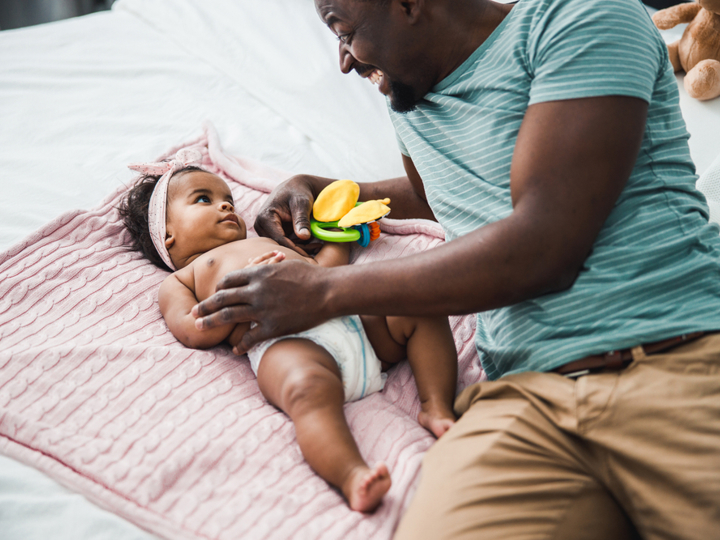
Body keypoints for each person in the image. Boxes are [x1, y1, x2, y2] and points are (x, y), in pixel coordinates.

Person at [190, 0, 720, 537]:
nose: (345, 62)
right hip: (523, 403)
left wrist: (324, 290)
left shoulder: (580, 17)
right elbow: (442, 195)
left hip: (676, 356)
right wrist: (330, 189)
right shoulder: (411, 99)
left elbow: (544, 244)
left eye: (344, 32)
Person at [118, 152, 458, 513]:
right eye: (204, 199)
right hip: (286, 344)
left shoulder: (273, 246)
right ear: (167, 234)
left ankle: (435, 406)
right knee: (306, 390)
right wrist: (238, 300)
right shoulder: (182, 279)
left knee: (417, 304)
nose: (225, 207)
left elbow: (321, 270)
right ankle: (352, 474)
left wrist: (340, 235)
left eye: (228, 200)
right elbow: (192, 329)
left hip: (346, 316)